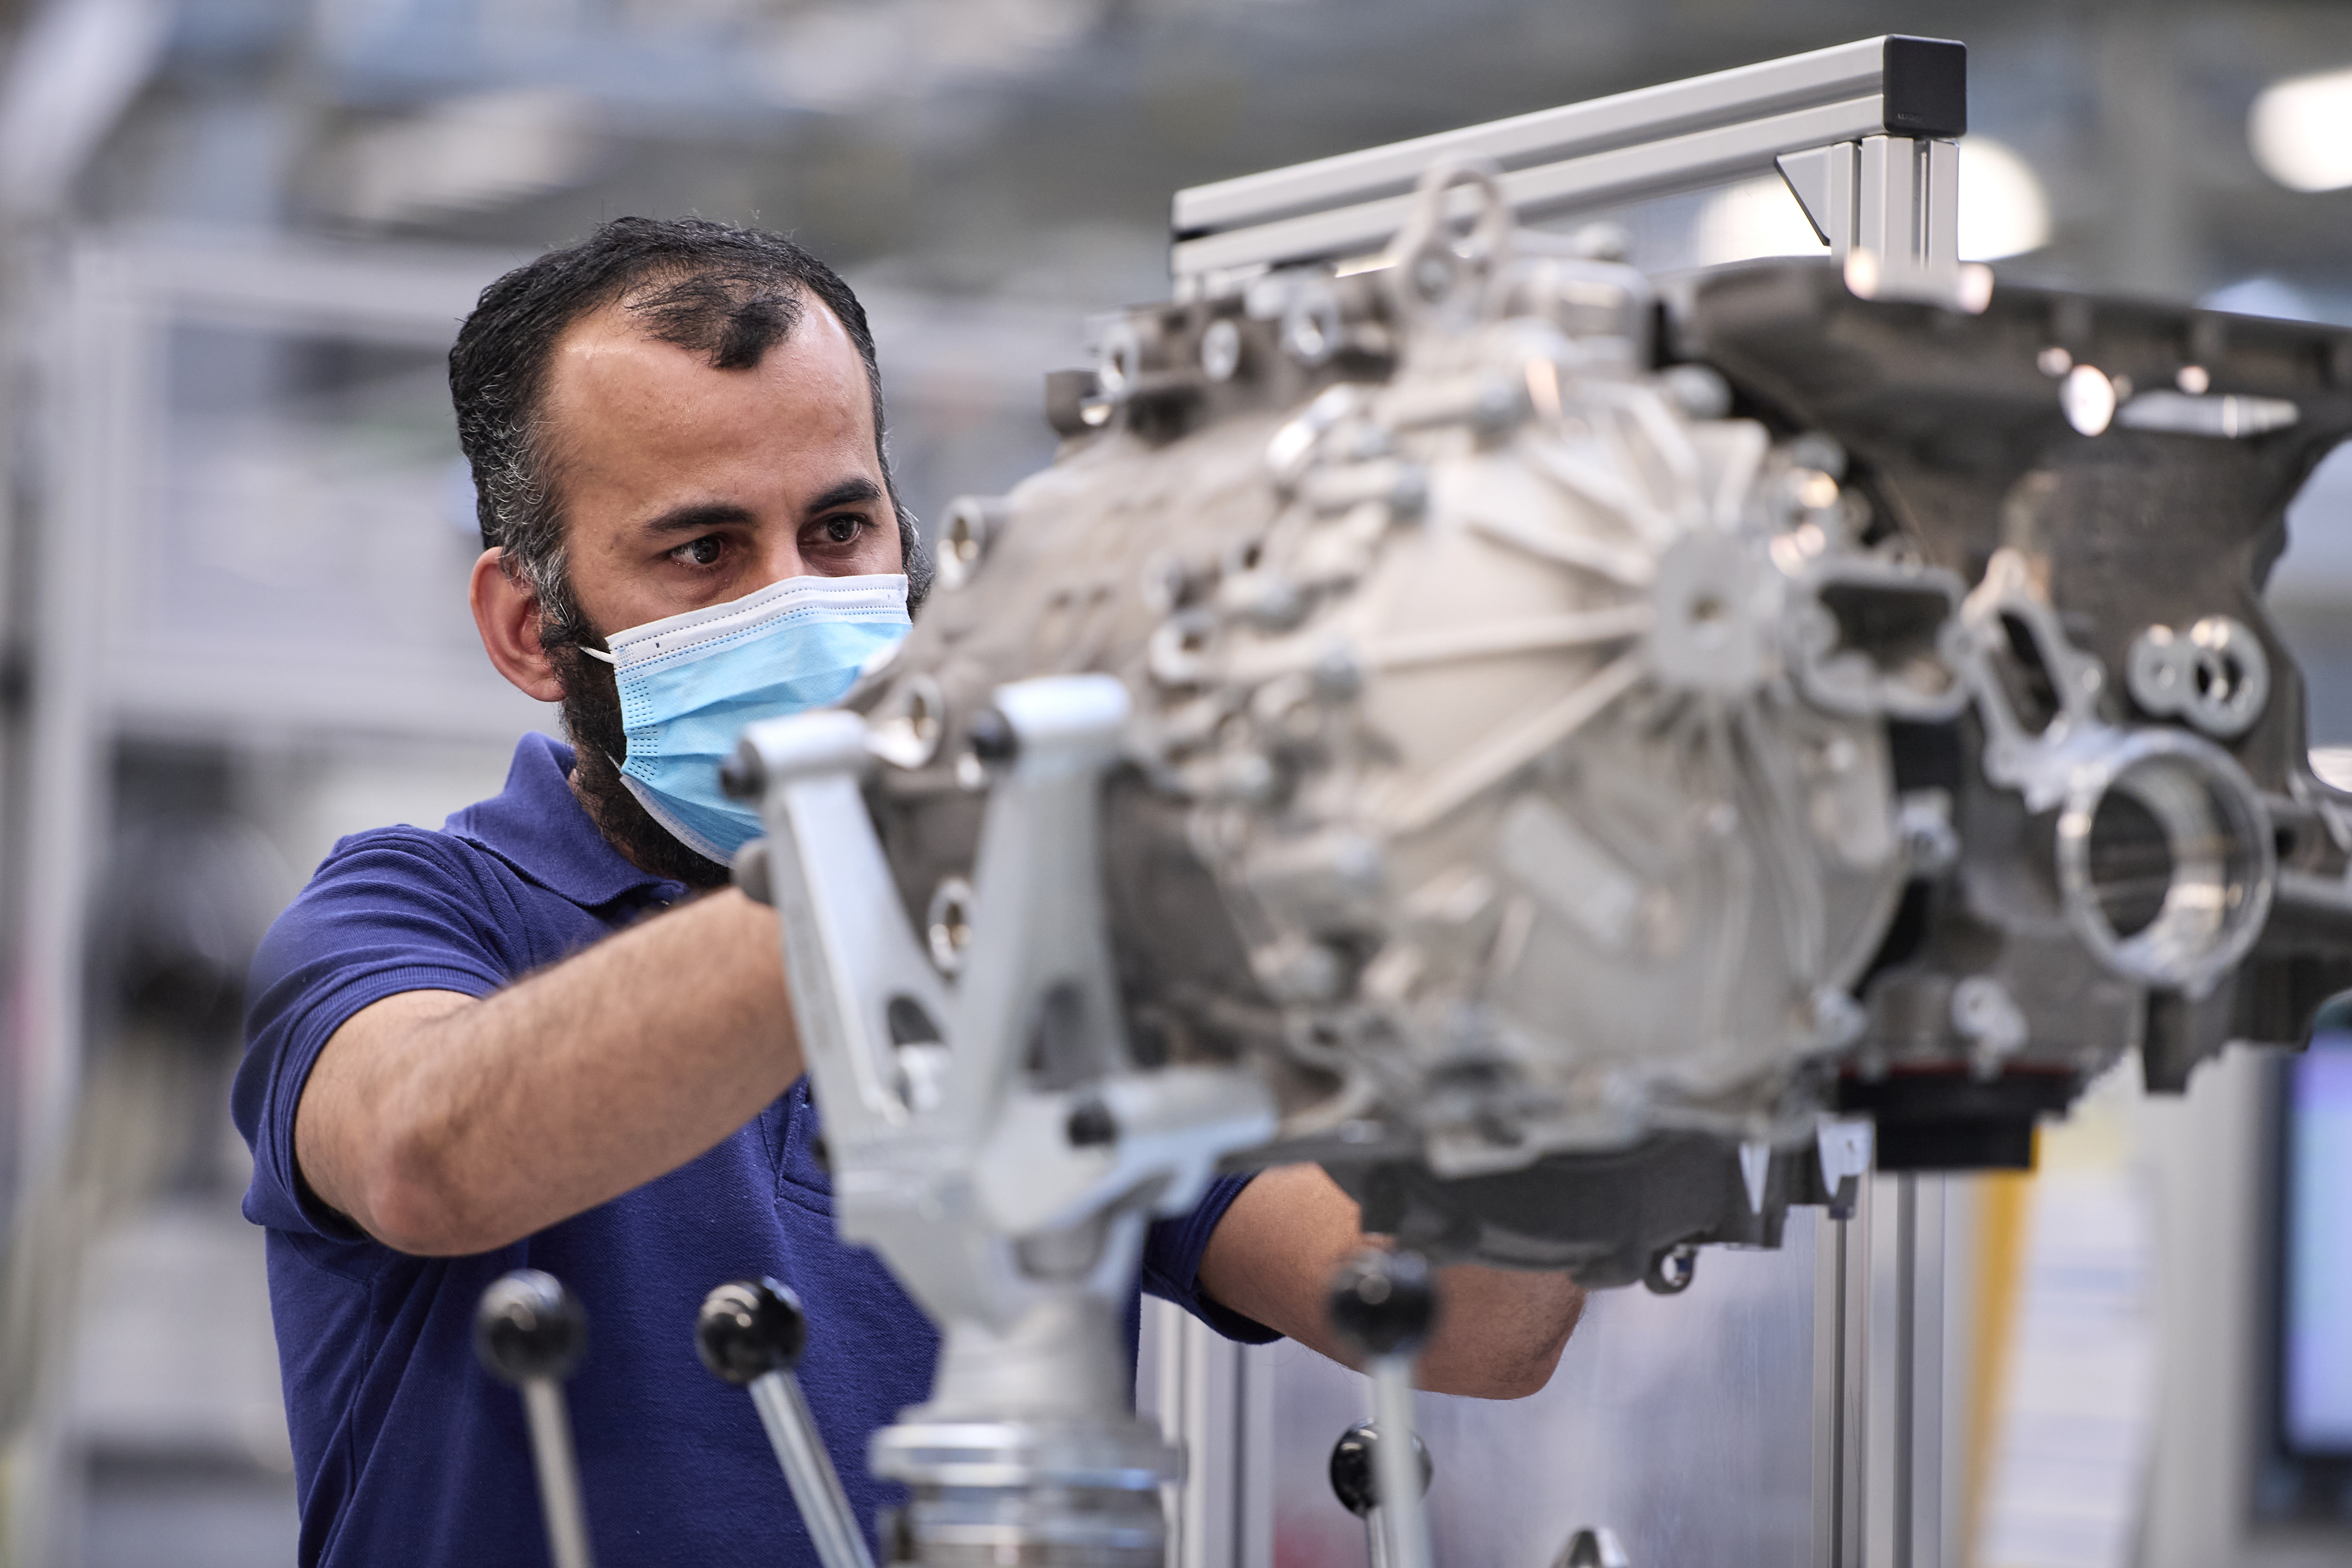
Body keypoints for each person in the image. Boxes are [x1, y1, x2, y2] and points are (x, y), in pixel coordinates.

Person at [231, 216, 1586, 1567]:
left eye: (839, 528)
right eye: (704, 550)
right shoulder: (412, 911)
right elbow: (426, 1154)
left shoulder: (1043, 937)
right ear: (532, 628)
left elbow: (1475, 1317)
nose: (798, 601)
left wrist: (1550, 856)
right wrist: (933, 841)